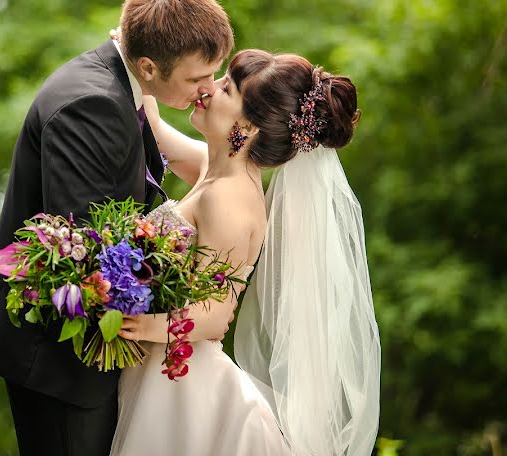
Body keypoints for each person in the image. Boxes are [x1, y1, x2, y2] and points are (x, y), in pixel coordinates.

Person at [0, 0, 234, 456]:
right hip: (59, 360)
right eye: (197, 79)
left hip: (94, 350)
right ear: (149, 65)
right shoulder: (90, 106)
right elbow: (93, 253)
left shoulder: (125, 81)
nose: (206, 90)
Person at [112, 48, 381, 455]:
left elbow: (215, 315)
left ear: (248, 128)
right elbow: (154, 131)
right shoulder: (217, 168)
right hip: (163, 371)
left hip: (184, 389)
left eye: (225, 88)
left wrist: (139, 325)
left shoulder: (232, 200)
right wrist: (136, 57)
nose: (208, 87)